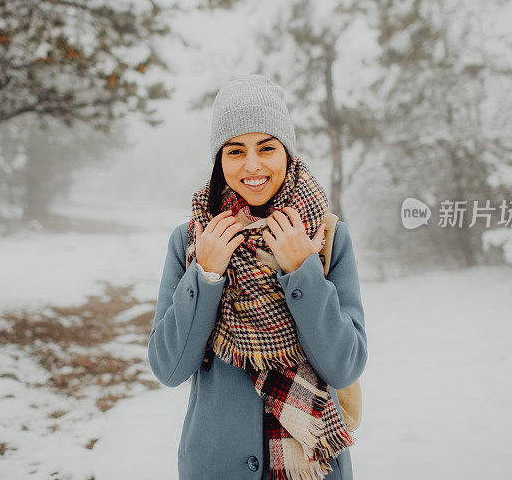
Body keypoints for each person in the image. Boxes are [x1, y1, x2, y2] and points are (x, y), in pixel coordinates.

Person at [148, 74, 367, 480]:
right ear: (219, 160)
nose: (252, 165)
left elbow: (345, 365)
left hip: (313, 465)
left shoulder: (327, 237)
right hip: (216, 466)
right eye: (235, 151)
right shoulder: (192, 240)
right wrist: (207, 274)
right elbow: (169, 367)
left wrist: (302, 270)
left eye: (266, 147)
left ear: (287, 154)